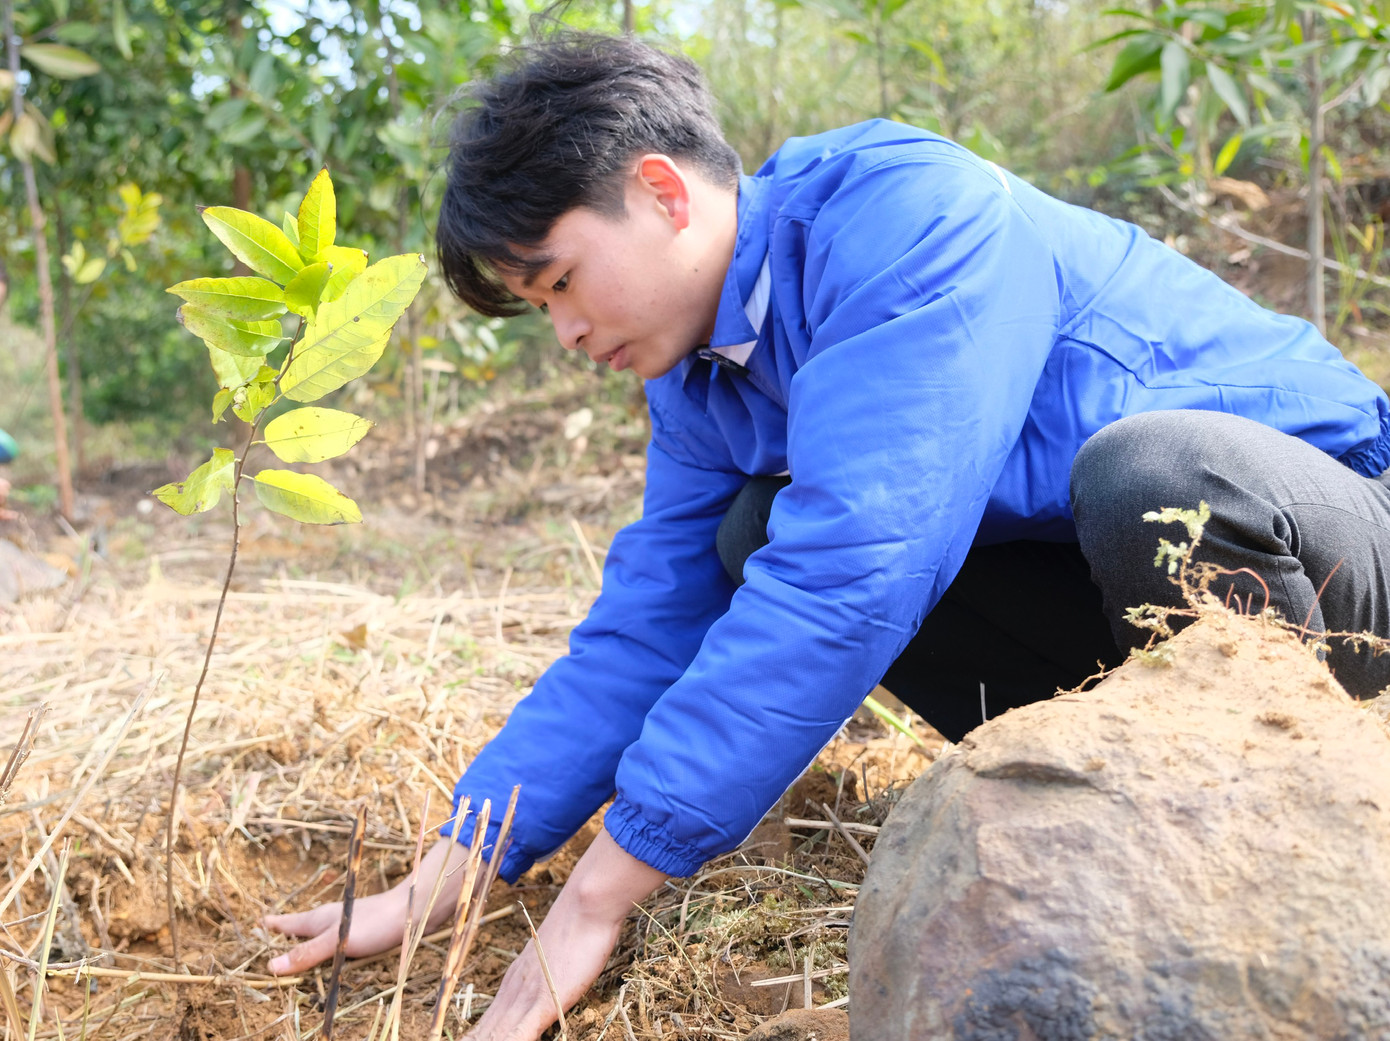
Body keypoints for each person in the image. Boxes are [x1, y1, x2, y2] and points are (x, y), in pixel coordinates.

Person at [264, 31, 1390, 1039]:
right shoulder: (703, 380)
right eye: (537, 308)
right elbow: (647, 629)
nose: (562, 330)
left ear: (660, 192)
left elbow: (853, 568)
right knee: (749, 534)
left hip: (1331, 542)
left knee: (1152, 477)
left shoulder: (907, 221)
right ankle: (1139, 829)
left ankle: (1292, 838)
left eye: (560, 282)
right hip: (1118, 600)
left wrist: (601, 893)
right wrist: (454, 867)